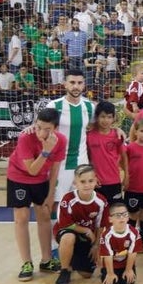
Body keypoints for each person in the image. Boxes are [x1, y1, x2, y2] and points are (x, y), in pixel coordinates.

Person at [7, 107, 66, 281]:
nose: (41, 132)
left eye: (47, 129)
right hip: (18, 177)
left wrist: (50, 195)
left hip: (42, 179)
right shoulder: (25, 137)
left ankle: (46, 260)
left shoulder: (61, 140)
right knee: (22, 217)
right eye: (38, 126)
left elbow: (55, 171)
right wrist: (46, 151)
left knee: (44, 216)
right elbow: (32, 170)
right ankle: (26, 263)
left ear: (55, 129)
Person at [53, 166, 109, 284]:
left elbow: (101, 226)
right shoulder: (67, 199)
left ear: (96, 181)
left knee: (86, 274)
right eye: (82, 182)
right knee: (68, 237)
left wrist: (96, 246)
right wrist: (86, 230)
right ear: (75, 183)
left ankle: (71, 259)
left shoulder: (101, 201)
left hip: (88, 238)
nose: (87, 185)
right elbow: (65, 224)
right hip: (69, 231)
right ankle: (64, 270)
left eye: (90, 181)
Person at [47, 69, 96, 205]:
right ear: (65, 84)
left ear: (84, 85)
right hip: (59, 164)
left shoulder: (89, 107)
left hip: (81, 162)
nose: (76, 86)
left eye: (79, 83)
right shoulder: (54, 106)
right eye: (72, 82)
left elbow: (94, 127)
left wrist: (116, 129)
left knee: (81, 202)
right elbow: (43, 130)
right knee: (57, 203)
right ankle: (58, 227)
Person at [86, 100, 126, 204]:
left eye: (109, 117)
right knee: (97, 213)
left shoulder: (117, 136)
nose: (106, 120)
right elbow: (87, 159)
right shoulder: (89, 136)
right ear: (97, 117)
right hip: (96, 182)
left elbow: (124, 157)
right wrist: (92, 176)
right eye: (103, 116)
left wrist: (127, 176)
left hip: (114, 181)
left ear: (113, 118)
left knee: (115, 213)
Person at [122, 118, 143, 237]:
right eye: (142, 131)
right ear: (135, 132)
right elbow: (123, 163)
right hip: (132, 188)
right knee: (132, 214)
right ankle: (130, 238)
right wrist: (126, 178)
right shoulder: (130, 148)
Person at [99, 200, 140, 284]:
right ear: (110, 219)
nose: (122, 218)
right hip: (111, 265)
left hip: (125, 264)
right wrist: (110, 273)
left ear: (128, 217)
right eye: (118, 215)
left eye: (124, 214)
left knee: (128, 282)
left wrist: (129, 269)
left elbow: (132, 252)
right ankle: (104, 272)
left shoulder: (134, 232)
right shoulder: (106, 235)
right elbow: (107, 255)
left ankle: (127, 270)